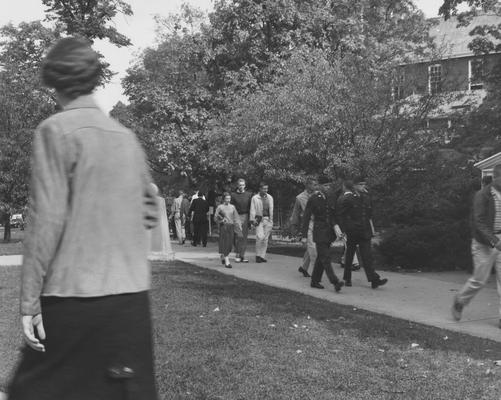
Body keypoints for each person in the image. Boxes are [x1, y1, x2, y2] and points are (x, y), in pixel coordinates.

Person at [8, 37, 159, 400]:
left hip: (73, 297)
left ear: (53, 81)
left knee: (33, 392)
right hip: (130, 301)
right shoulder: (127, 138)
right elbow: (150, 210)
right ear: (94, 78)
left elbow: (46, 221)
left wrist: (29, 303)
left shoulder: (55, 132)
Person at [452, 163, 501, 326]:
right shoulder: (483, 195)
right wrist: (494, 241)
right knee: (480, 280)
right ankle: (460, 300)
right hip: (483, 243)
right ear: (496, 177)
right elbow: (479, 222)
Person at [336, 178, 387, 289]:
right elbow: (340, 215)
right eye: (361, 184)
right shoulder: (348, 198)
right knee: (349, 256)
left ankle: (374, 280)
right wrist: (344, 229)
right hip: (352, 232)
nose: (363, 186)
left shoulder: (366, 198)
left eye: (364, 184)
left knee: (367, 256)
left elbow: (369, 215)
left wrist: (371, 228)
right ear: (354, 186)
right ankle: (347, 278)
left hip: (364, 231)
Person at [301, 175, 344, 292]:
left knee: (321, 258)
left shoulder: (330, 197)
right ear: (319, 186)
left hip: (329, 232)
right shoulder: (314, 198)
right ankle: (335, 282)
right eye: (325, 185)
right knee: (326, 258)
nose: (327, 187)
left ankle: (314, 281)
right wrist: (304, 235)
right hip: (319, 232)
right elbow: (306, 217)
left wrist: (338, 228)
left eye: (329, 185)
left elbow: (333, 215)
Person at [290, 177, 317, 277]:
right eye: (314, 184)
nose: (316, 186)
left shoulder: (317, 194)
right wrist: (294, 225)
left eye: (316, 184)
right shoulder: (300, 198)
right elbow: (295, 213)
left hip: (318, 224)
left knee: (311, 247)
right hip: (308, 223)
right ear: (308, 185)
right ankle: (316, 273)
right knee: (313, 247)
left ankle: (303, 267)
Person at [215, 192, 242, 268]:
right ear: (223, 199)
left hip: (231, 226)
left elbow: (236, 217)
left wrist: (239, 225)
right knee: (225, 243)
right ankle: (227, 262)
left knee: (230, 245)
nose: (228, 200)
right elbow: (215, 217)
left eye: (229, 198)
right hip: (224, 227)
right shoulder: (220, 207)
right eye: (227, 198)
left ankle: (223, 255)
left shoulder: (233, 207)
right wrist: (221, 221)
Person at [250, 182, 274, 263]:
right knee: (260, 237)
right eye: (264, 189)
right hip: (259, 219)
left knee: (265, 239)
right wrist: (253, 221)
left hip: (268, 219)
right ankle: (258, 255)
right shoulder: (255, 198)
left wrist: (271, 220)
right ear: (260, 189)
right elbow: (252, 210)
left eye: (266, 188)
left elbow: (271, 209)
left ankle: (262, 256)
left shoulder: (270, 197)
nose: (265, 190)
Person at [231, 178, 253, 263]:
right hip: (236, 216)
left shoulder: (248, 195)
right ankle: (237, 254)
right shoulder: (233, 195)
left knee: (244, 237)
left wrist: (251, 220)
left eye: (243, 185)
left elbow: (251, 208)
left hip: (245, 215)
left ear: (245, 185)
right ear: (237, 185)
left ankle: (242, 255)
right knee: (237, 236)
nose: (241, 186)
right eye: (240, 185)